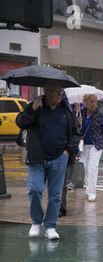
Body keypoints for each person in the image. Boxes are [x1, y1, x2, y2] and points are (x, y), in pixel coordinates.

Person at [16, 80, 81, 240]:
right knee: (35, 190)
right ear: (46, 92)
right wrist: (32, 108)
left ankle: (51, 226)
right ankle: (36, 222)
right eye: (55, 91)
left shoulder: (66, 110)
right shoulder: (35, 108)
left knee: (55, 195)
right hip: (37, 158)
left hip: (59, 158)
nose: (60, 94)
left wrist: (67, 152)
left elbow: (75, 133)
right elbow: (21, 122)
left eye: (60, 91)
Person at [79, 93, 103, 202]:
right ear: (85, 103)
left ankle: (92, 193)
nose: (93, 104)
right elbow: (76, 130)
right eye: (91, 101)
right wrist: (78, 123)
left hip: (96, 145)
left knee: (92, 168)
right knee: (83, 168)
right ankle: (89, 185)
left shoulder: (100, 115)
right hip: (83, 145)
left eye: (95, 101)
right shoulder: (81, 114)